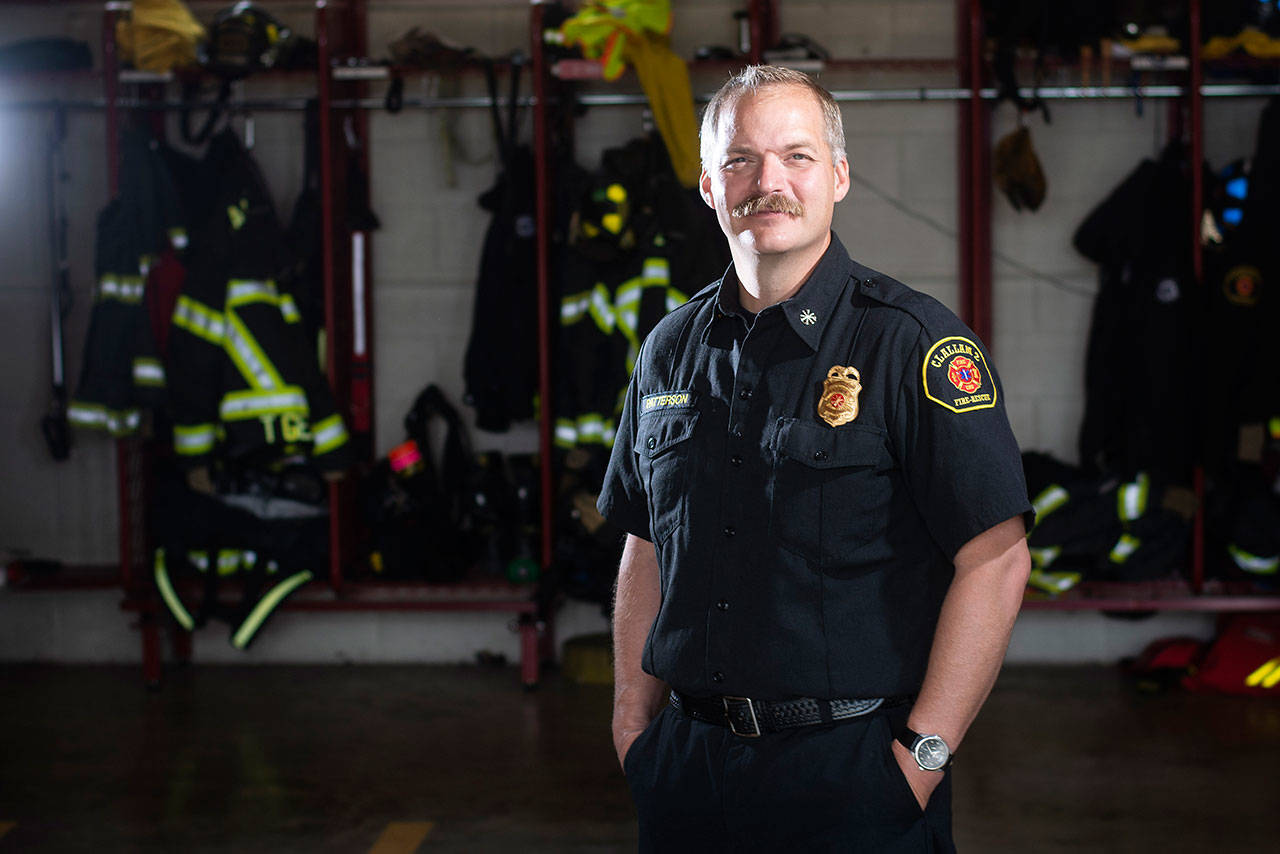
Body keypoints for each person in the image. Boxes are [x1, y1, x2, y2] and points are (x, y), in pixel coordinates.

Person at [597, 65, 1034, 852]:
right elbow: (644, 541)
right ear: (708, 185)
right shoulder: (669, 349)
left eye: (796, 156)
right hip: (688, 772)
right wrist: (634, 721)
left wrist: (921, 758)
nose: (769, 181)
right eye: (741, 160)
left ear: (838, 176)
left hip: (855, 775)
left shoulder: (913, 343)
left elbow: (996, 560)